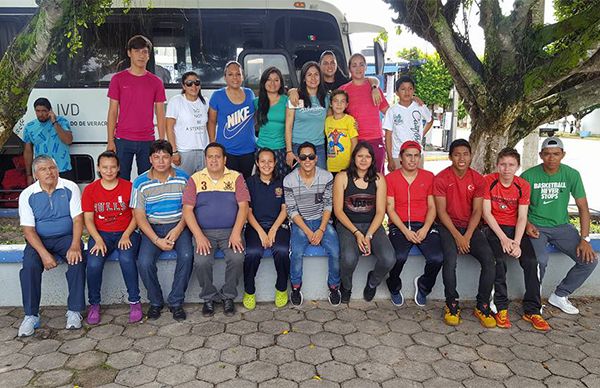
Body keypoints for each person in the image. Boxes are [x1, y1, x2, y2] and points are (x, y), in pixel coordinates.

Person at [522, 137, 597, 314]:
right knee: (540, 260)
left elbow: (583, 207)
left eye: (556, 154)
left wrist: (585, 239)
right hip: (536, 226)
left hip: (562, 227)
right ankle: (534, 300)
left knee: (590, 260)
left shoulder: (571, 174)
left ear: (563, 155)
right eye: (547, 154)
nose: (551, 158)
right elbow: (519, 208)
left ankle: (560, 295)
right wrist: (527, 224)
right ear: (541, 155)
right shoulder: (528, 176)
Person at [482, 148, 549, 331]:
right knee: (499, 261)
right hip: (494, 229)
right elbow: (486, 214)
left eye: (511, 165)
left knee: (531, 261)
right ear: (497, 165)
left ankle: (533, 310)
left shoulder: (522, 185)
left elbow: (522, 217)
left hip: (516, 230)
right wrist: (503, 239)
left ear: (517, 167)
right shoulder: (488, 181)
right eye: (503, 164)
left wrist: (517, 242)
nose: (506, 169)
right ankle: (500, 307)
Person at [17, 156, 85, 336]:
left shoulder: (70, 187)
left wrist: (75, 245)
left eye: (52, 168)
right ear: (35, 174)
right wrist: (44, 255)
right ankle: (31, 315)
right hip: (39, 239)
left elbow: (78, 219)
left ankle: (74, 311)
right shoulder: (27, 195)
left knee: (77, 260)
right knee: (30, 267)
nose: (49, 172)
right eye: (43, 169)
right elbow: (28, 230)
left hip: (65, 237)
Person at [434, 139, 496, 328]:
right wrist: (457, 236)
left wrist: (467, 236)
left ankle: (482, 304)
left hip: (470, 228)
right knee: (450, 260)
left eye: (465, 154)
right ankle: (451, 303)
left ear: (471, 156)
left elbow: (477, 211)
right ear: (450, 157)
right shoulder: (441, 178)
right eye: (457, 154)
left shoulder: (477, 179)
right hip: (447, 227)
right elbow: (441, 212)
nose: (461, 158)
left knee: (490, 261)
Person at [182, 143, 250, 317]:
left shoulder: (236, 177)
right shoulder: (195, 179)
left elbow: (243, 207)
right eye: (210, 157)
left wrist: (236, 232)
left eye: (217, 156)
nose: (214, 160)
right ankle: (208, 298)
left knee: (237, 258)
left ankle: (228, 296)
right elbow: (187, 210)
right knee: (201, 262)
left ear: (225, 159)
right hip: (204, 233)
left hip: (231, 231)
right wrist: (198, 236)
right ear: (205, 159)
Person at [131, 140, 193, 321]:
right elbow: (139, 216)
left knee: (187, 256)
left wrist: (179, 229)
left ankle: (176, 301)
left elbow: (189, 209)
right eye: (156, 157)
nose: (161, 161)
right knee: (144, 262)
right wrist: (156, 240)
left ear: (171, 158)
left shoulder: (183, 178)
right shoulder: (140, 182)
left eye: (165, 157)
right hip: (152, 229)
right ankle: (156, 301)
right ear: (150, 159)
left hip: (179, 225)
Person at [82, 151, 141, 325]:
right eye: (105, 167)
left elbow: (136, 216)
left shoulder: (129, 187)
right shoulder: (90, 190)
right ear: (98, 168)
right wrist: (97, 239)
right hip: (101, 235)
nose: (109, 171)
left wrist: (126, 234)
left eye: (113, 167)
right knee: (93, 263)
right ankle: (94, 304)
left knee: (126, 258)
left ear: (119, 168)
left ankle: (134, 301)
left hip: (126, 233)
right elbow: (88, 220)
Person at [333, 142, 394, 302]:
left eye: (367, 156)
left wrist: (369, 235)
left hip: (372, 225)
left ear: (373, 159)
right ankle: (346, 286)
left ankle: (372, 282)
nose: (363, 160)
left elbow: (381, 211)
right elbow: (338, 211)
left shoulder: (379, 178)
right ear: (354, 158)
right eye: (360, 156)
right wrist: (357, 233)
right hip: (348, 225)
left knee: (389, 258)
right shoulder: (342, 177)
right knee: (349, 258)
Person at [385, 141, 443, 307]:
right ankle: (394, 286)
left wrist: (425, 228)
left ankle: (424, 286)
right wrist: (405, 231)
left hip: (424, 225)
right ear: (401, 158)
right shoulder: (391, 178)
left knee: (437, 258)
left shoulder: (429, 177)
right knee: (398, 257)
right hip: (400, 225)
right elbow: (390, 208)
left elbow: (432, 207)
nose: (412, 159)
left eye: (416, 155)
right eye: (408, 155)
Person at [284, 142, 341, 305]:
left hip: (321, 221)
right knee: (296, 253)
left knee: (335, 251)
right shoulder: (289, 180)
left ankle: (334, 287)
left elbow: (328, 205)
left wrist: (321, 229)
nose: (307, 160)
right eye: (303, 157)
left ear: (316, 158)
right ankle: (295, 287)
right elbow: (292, 210)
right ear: (298, 159)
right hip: (300, 223)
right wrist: (309, 232)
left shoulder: (327, 177)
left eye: (310, 157)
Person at [107, 35, 167, 180]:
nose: (141, 55)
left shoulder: (156, 82)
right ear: (129, 53)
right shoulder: (118, 79)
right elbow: (113, 111)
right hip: (122, 139)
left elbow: (160, 113)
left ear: (149, 55)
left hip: (147, 140)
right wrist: (110, 140)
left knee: (148, 180)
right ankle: (125, 204)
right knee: (121, 180)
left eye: (145, 52)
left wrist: (161, 141)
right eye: (137, 51)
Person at [242, 148, 290, 309]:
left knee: (282, 250)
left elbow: (285, 209)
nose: (266, 165)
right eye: (262, 161)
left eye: (270, 161)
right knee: (253, 253)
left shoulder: (282, 181)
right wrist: (262, 233)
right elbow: (247, 212)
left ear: (275, 163)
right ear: (257, 163)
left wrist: (274, 229)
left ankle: (281, 288)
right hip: (256, 226)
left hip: (278, 225)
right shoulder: (249, 182)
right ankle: (249, 291)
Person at [339, 53, 389, 173]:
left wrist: (411, 99)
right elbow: (336, 115)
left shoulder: (375, 89)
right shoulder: (343, 90)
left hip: (375, 139)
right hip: (354, 141)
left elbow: (389, 113)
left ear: (366, 67)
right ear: (349, 69)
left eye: (361, 64)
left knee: (378, 178)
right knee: (357, 180)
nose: (358, 68)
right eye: (354, 65)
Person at [208, 61, 256, 178]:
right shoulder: (217, 96)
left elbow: (254, 118)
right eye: (230, 74)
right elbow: (211, 121)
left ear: (243, 77)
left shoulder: (250, 93)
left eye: (238, 74)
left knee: (245, 184)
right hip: (227, 151)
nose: (235, 77)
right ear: (225, 77)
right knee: (228, 185)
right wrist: (213, 143)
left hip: (248, 150)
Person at [383, 75, 433, 171]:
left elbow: (430, 121)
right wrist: (390, 158)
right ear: (397, 92)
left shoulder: (419, 106)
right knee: (398, 184)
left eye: (410, 89)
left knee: (417, 183)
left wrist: (420, 135)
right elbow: (388, 136)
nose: (407, 92)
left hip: (417, 153)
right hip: (397, 155)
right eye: (403, 89)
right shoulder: (392, 111)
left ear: (414, 91)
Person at [285, 62, 329, 170]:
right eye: (309, 75)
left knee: (320, 182)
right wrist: (289, 151)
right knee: (298, 182)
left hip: (318, 147)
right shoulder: (295, 97)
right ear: (304, 78)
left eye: (316, 74)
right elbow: (288, 126)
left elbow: (331, 121)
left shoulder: (326, 98)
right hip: (298, 146)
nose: (313, 78)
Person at [166, 71, 209, 176]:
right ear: (183, 86)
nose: (193, 86)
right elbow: (169, 127)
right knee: (184, 185)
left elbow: (209, 125)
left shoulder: (205, 102)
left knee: (201, 185)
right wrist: (174, 152)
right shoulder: (176, 101)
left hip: (203, 151)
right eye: (189, 83)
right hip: (184, 152)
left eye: (196, 82)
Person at [23, 97, 73, 185]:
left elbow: (68, 140)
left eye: (44, 111)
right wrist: (29, 174)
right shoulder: (29, 127)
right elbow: (28, 152)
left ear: (50, 111)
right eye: (37, 111)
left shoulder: (62, 121)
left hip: (62, 169)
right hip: (42, 171)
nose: (40, 114)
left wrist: (54, 122)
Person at [255, 67, 290, 178]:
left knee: (281, 182)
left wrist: (293, 91)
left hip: (281, 149)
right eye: (269, 80)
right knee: (263, 183)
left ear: (281, 83)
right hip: (262, 149)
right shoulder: (256, 102)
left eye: (276, 80)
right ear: (263, 82)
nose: (272, 83)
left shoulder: (287, 100)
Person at [325, 90, 358, 174]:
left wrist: (352, 161)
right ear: (331, 104)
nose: (339, 104)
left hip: (346, 165)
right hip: (331, 165)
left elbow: (354, 142)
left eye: (342, 101)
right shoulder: (328, 120)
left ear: (347, 105)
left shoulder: (349, 120)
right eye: (336, 101)